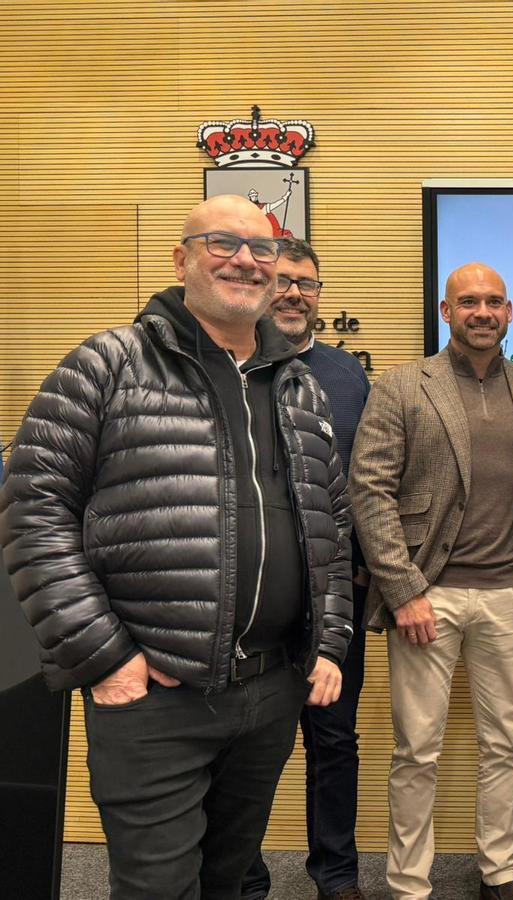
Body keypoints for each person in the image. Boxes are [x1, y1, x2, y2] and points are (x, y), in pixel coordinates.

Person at [0, 195, 353, 898]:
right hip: (154, 694)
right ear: (181, 258)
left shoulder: (300, 388)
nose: (248, 260)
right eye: (224, 242)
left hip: (270, 692)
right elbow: (31, 509)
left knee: (229, 881)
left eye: (263, 249)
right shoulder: (106, 365)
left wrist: (332, 640)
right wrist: (105, 657)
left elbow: (331, 528)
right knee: (158, 887)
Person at [349, 262, 513, 900]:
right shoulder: (401, 387)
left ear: (510, 315)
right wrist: (404, 591)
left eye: (495, 302)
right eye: (469, 302)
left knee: (504, 742)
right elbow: (369, 492)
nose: (483, 312)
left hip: (511, 593)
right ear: (446, 312)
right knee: (416, 750)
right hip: (427, 597)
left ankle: (499, 874)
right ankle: (408, 883)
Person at [241, 237, 371, 900]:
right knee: (246, 752)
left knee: (334, 745)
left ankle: (337, 876)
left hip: (333, 607)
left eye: (309, 284)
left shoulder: (350, 377)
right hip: (254, 605)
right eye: (284, 281)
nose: (296, 294)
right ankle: (244, 876)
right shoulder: (229, 372)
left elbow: (373, 487)